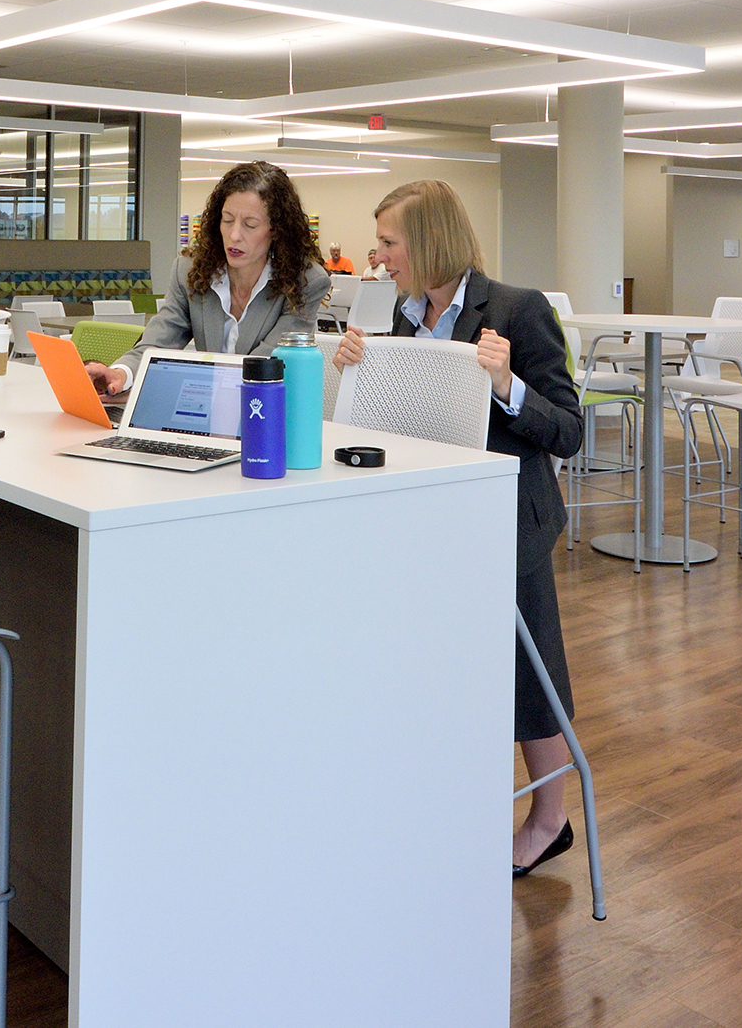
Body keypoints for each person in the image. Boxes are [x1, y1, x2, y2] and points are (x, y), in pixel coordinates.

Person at [331, 179, 583, 875]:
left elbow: (568, 431)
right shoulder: (406, 320)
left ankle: (550, 817)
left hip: (510, 523)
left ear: (430, 239)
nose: (377, 258)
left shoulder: (517, 310)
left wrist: (508, 385)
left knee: (531, 675)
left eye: (388, 243)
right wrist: (352, 371)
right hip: (437, 527)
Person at [86, 160, 334, 395]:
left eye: (250, 225)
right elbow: (160, 339)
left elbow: (266, 364)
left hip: (265, 412)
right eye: (227, 221)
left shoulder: (306, 282)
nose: (234, 235)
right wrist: (121, 374)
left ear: (277, 230)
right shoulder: (190, 270)